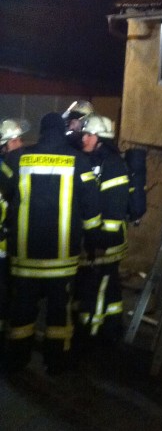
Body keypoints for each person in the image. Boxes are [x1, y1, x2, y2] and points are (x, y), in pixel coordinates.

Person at [0, 112, 101, 374]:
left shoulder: (18, 158)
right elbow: (91, 207)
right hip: (62, 257)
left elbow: (4, 191)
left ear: (42, 131)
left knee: (22, 309)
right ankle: (56, 363)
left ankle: (17, 360)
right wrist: (93, 241)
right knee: (59, 312)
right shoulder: (79, 161)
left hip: (25, 255)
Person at [75, 114, 130, 347]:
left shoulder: (113, 165)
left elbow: (114, 207)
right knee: (107, 285)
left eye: (89, 135)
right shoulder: (91, 161)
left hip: (107, 240)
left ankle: (93, 334)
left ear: (101, 139)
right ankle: (112, 326)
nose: (84, 139)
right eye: (84, 134)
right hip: (93, 239)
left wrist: (102, 240)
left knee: (99, 286)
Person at [0, 120, 29, 339]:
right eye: (14, 141)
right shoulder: (5, 168)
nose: (19, 144)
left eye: (20, 140)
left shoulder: (12, 165)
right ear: (4, 146)